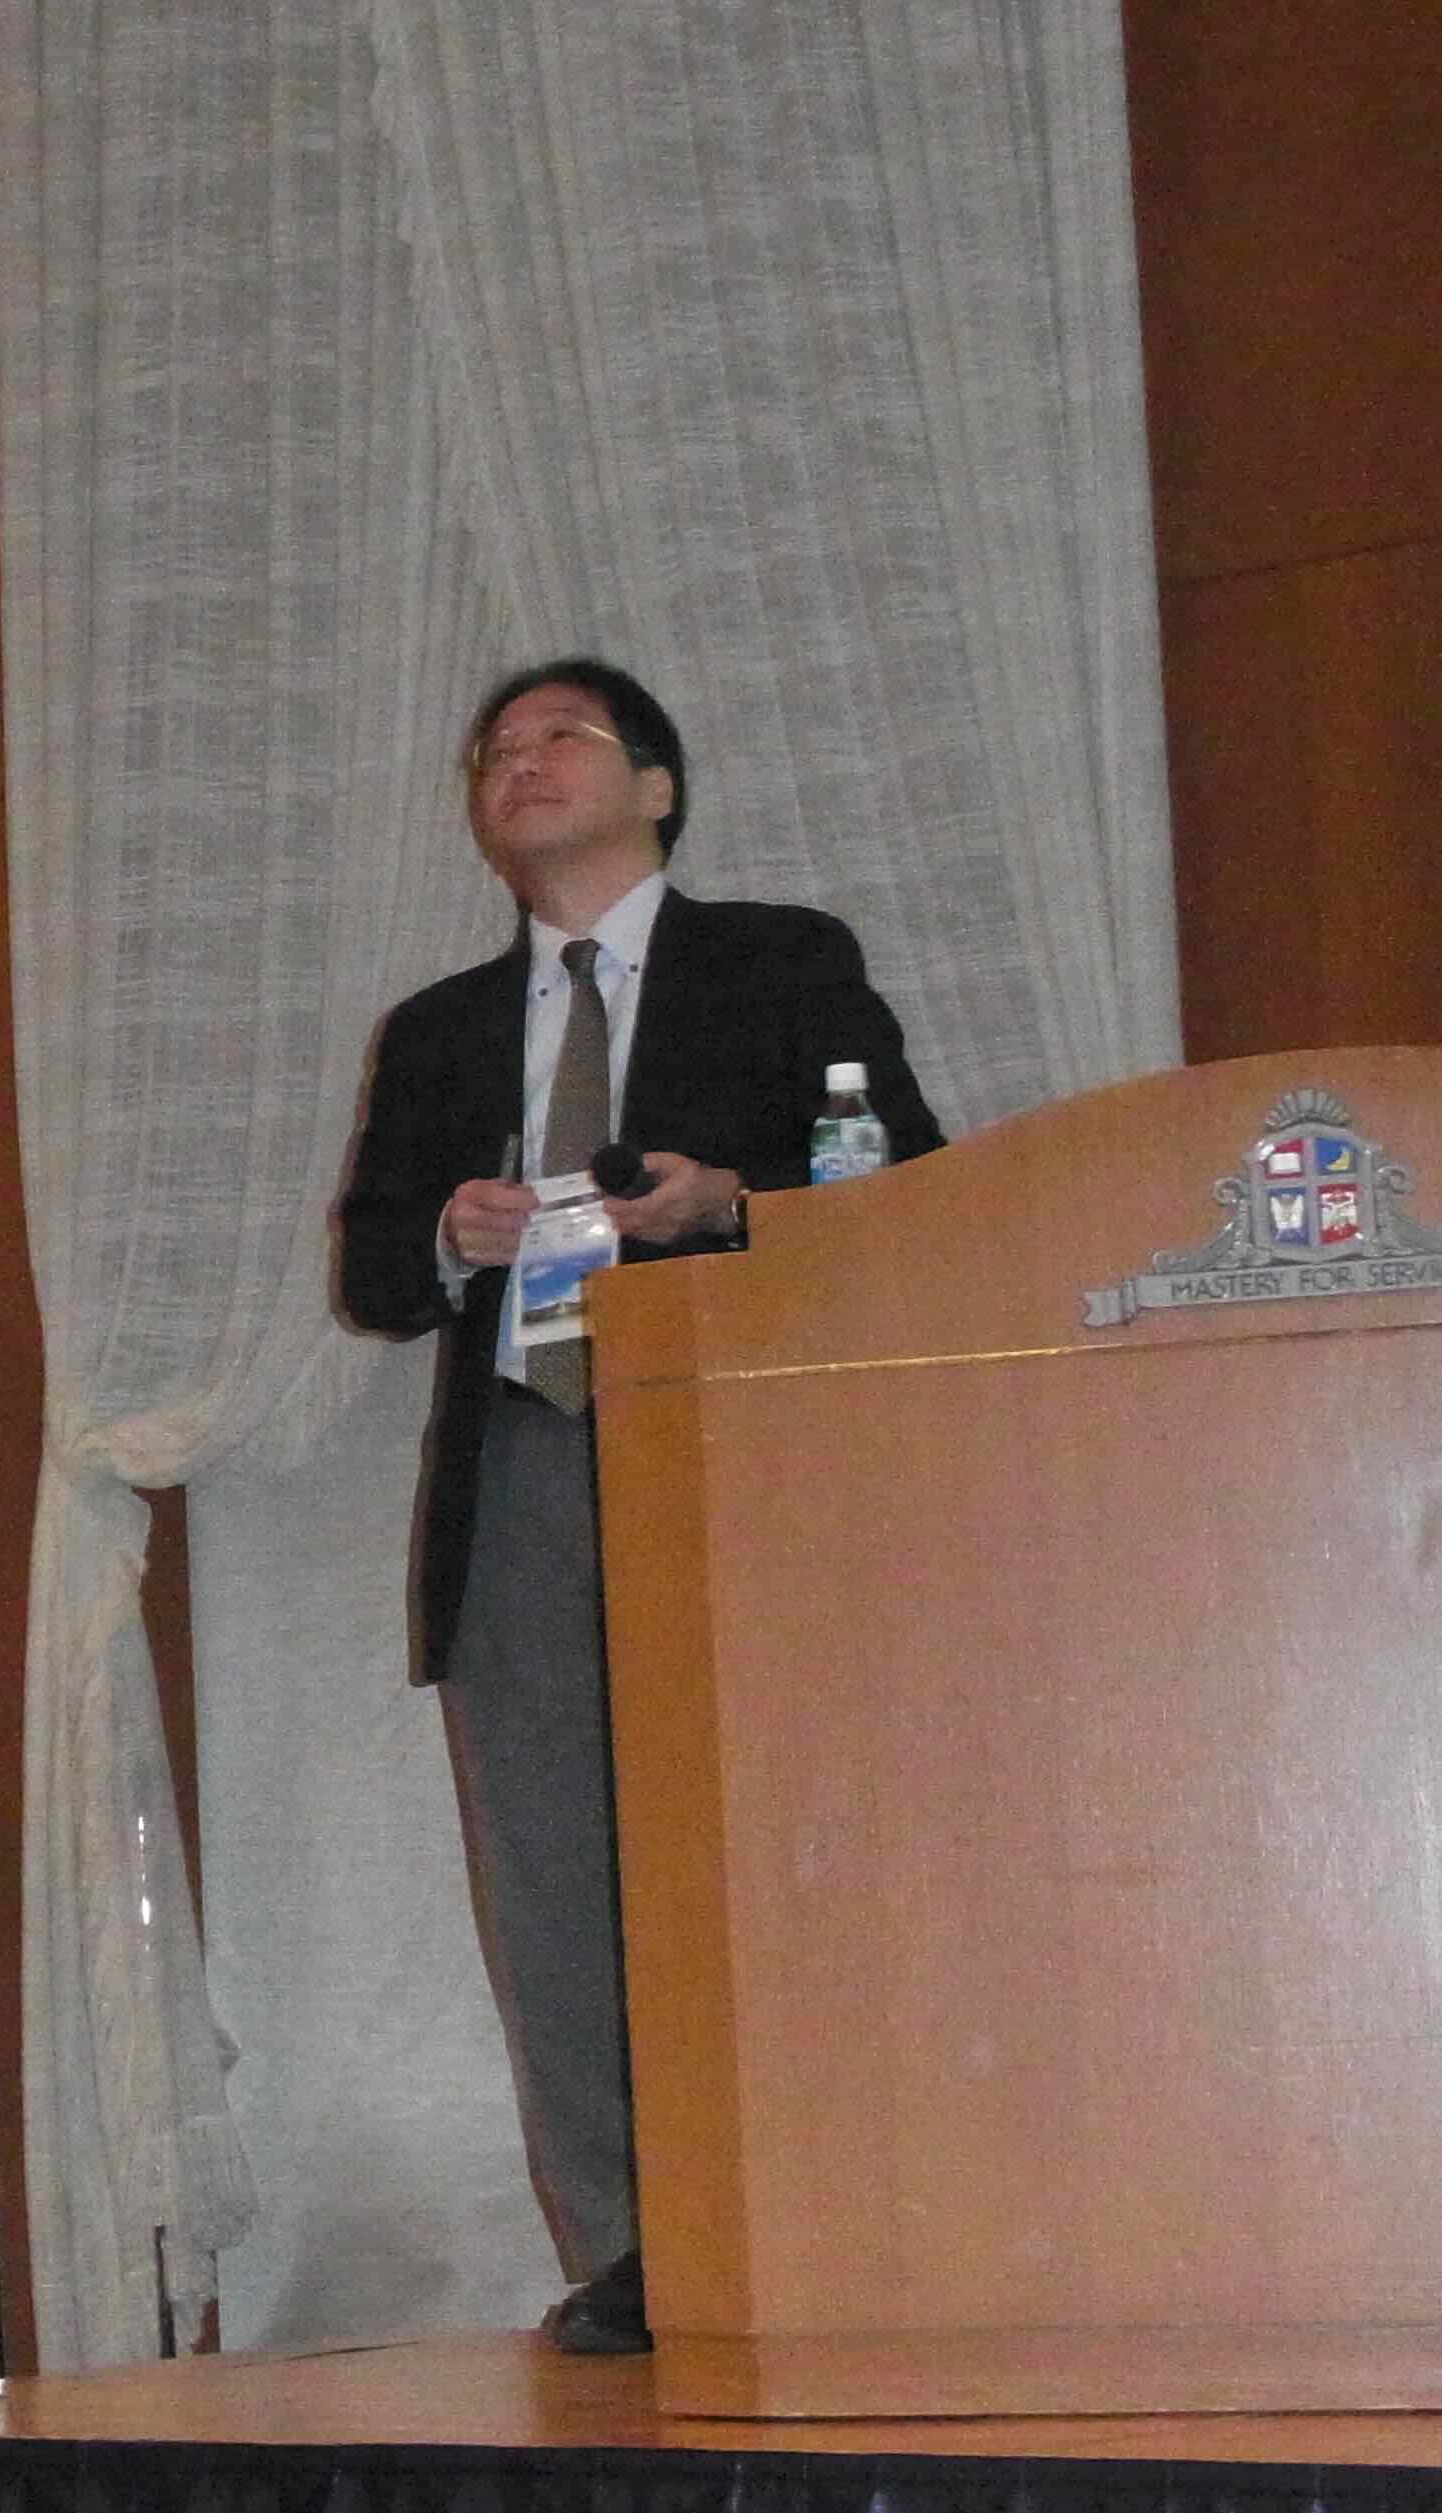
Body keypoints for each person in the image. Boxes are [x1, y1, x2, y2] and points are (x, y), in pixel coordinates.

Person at [336, 660, 940, 2356]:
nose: (519, 765)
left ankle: (837, 2217)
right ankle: (632, 2254)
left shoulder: (781, 962)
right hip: (526, 1461)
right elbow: (373, 1273)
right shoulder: (441, 1029)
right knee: (555, 1876)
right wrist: (444, 1235)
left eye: (562, 738)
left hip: (735, 1453)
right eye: (496, 750)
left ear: (658, 787)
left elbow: (903, 1182)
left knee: (779, 1849)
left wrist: (726, 1200)